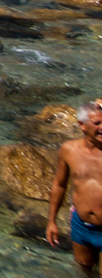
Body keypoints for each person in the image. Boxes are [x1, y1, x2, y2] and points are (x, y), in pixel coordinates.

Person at [48, 100, 102, 275]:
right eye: (97, 123)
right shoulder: (69, 150)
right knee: (83, 270)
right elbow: (59, 185)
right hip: (81, 227)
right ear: (82, 125)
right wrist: (51, 221)